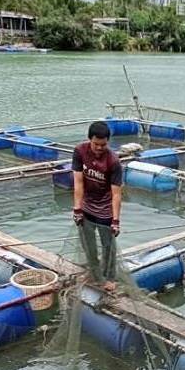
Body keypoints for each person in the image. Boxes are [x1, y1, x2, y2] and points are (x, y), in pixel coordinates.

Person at [72, 121, 124, 292]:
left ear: (108, 141)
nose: (99, 148)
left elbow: (116, 194)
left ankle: (110, 277)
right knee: (89, 246)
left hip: (105, 210)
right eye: (96, 144)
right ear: (90, 139)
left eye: (103, 144)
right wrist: (77, 209)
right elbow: (78, 182)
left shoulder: (113, 161)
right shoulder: (80, 151)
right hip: (86, 207)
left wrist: (115, 220)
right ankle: (94, 272)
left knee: (108, 247)